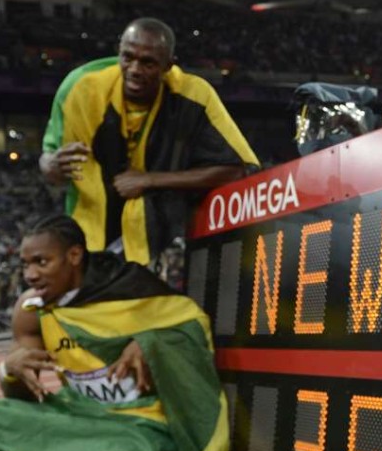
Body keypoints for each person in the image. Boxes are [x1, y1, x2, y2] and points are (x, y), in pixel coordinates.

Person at [0, 214, 229, 451]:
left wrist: (152, 343)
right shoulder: (31, 310)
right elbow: (26, 400)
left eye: (41, 262)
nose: (30, 275)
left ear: (73, 256)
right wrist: (9, 372)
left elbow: (192, 324)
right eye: (25, 264)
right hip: (79, 416)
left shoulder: (130, 290)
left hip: (140, 422)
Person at [40, 17, 259, 266]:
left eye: (148, 63)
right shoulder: (79, 88)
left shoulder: (194, 96)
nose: (134, 69)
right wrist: (52, 166)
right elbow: (49, 163)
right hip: (88, 239)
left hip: (156, 242)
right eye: (127, 57)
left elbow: (240, 169)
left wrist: (150, 179)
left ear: (168, 65)